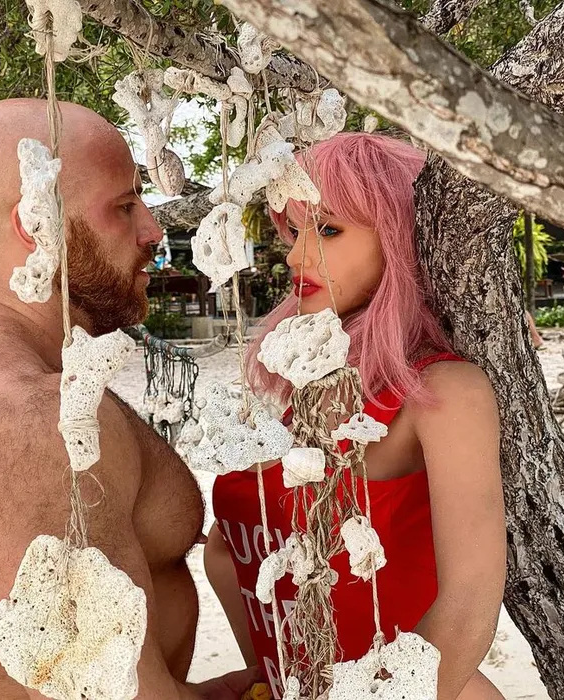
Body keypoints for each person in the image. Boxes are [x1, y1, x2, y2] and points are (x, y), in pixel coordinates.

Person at [0, 98, 256, 699]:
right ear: (36, 223)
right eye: (124, 207)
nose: (153, 231)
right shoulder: (27, 421)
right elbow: (96, 692)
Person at [204, 133, 507, 700]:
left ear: (399, 239)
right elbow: (228, 550)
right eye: (295, 232)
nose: (295, 257)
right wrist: (269, 674)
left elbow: (469, 603)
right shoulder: (308, 386)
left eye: (328, 230)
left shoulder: (442, 395)